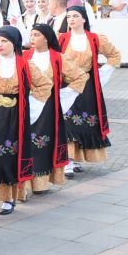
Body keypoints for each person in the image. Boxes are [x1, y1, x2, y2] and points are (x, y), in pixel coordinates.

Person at [0, 26, 52, 217]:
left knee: (8, 157)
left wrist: (32, 107)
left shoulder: (25, 64)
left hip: (13, 119)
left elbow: (45, 84)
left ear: (14, 43)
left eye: (5, 41)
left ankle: (8, 198)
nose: (0, 45)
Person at [24, 24, 85, 193]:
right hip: (26, 105)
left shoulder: (58, 58)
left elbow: (80, 77)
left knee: (41, 143)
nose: (32, 38)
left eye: (36, 35)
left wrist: (62, 98)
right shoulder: (24, 56)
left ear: (46, 37)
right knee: (25, 144)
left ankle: (40, 183)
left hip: (47, 108)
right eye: (31, 35)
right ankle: (24, 184)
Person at [60, 6, 121, 173]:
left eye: (75, 16)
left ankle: (77, 157)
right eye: (69, 16)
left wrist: (101, 75)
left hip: (87, 89)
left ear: (84, 19)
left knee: (84, 123)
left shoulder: (95, 39)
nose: (71, 19)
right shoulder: (62, 39)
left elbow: (115, 55)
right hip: (67, 86)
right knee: (67, 122)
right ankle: (68, 160)